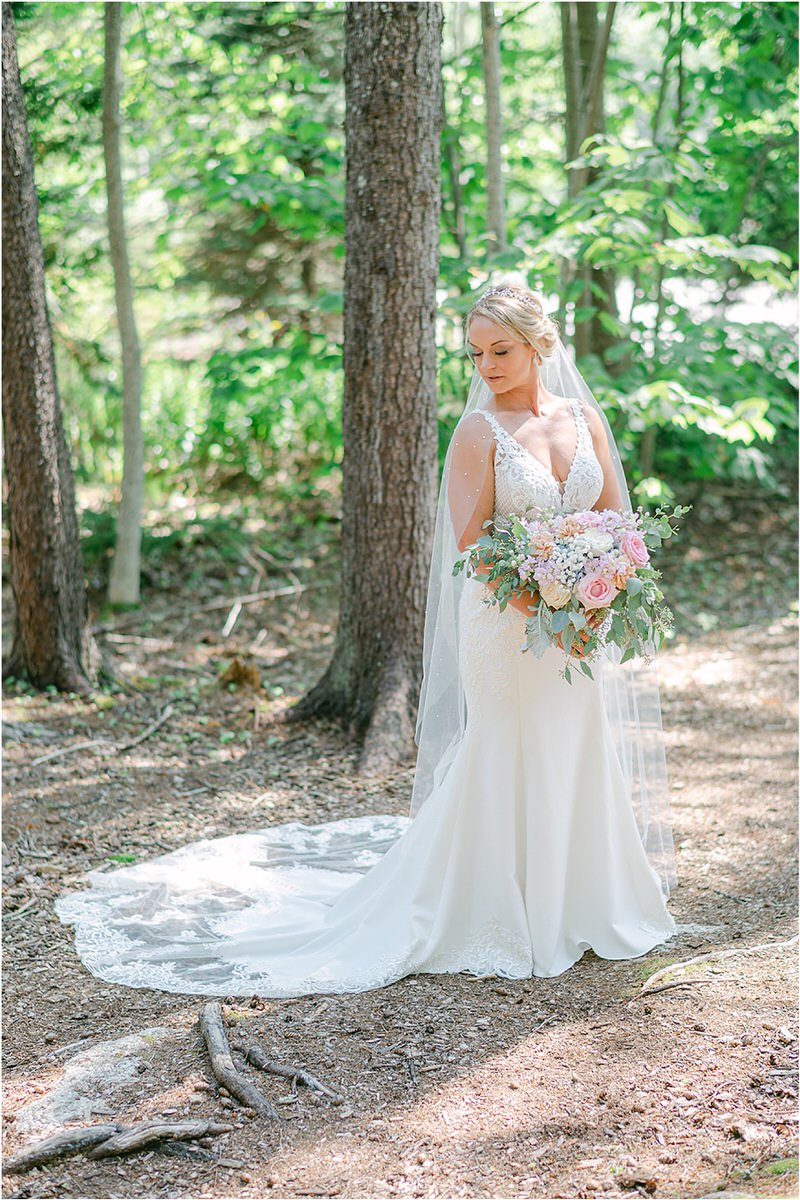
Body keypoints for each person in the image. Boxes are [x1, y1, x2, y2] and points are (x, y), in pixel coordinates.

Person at [55, 283, 678, 998]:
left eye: (500, 350)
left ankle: (580, 903)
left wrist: (598, 593)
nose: (487, 367)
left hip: (579, 628)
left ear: (539, 343)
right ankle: (501, 910)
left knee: (573, 746)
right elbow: (472, 546)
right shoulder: (480, 434)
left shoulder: (586, 420)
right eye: (476, 353)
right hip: (508, 625)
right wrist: (543, 591)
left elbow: (616, 526)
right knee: (509, 749)